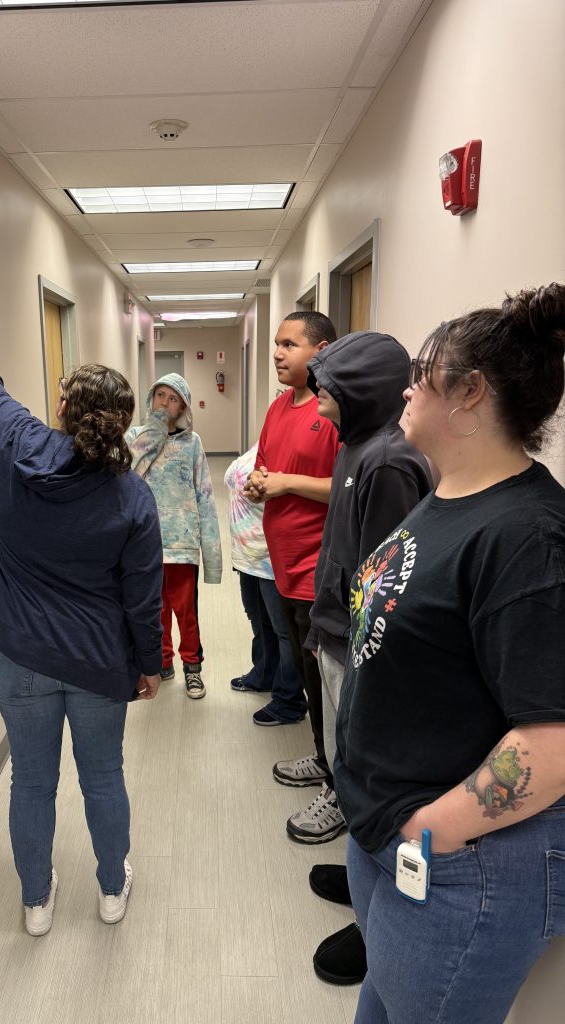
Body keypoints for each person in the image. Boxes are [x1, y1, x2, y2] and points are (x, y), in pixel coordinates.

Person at [334, 284, 565, 1023]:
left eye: (423, 373)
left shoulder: (527, 536)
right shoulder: (448, 494)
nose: (405, 387)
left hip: (462, 864)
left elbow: (551, 742)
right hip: (391, 832)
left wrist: (431, 830)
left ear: (471, 394)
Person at [0, 285, 163, 936]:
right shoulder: (131, 497)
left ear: (61, 408)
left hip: (20, 657)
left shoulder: (15, 443)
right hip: (98, 663)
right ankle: (112, 890)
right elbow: (143, 596)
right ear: (121, 422)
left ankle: (36, 901)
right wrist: (150, 667)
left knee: (31, 782)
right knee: (103, 778)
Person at [276, 330, 432, 985]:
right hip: (336, 635)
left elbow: (389, 583)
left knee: (368, 777)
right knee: (349, 769)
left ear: (359, 393)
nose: (319, 404)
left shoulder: (389, 463)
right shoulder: (354, 448)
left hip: (364, 651)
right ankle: (361, 875)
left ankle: (378, 926)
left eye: (330, 391)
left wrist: (362, 655)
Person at [244, 312, 340, 760]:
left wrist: (286, 482)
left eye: (288, 344)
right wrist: (259, 484)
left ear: (321, 351)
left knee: (326, 680)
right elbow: (265, 468)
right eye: (276, 345)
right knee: (303, 671)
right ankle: (322, 757)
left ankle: (332, 773)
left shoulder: (336, 411)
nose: (278, 354)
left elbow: (350, 488)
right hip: (279, 564)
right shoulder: (280, 406)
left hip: (317, 569)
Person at [126, 373, 221, 698]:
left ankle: (192, 668)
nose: (165, 404)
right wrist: (152, 433)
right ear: (151, 398)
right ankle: (162, 661)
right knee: (155, 610)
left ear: (183, 407)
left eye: (173, 399)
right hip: (145, 545)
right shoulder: (135, 437)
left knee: (185, 611)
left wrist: (212, 557)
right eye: (160, 396)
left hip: (181, 545)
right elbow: (128, 473)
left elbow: (205, 496)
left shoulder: (192, 443)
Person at [224, 443, 302, 703]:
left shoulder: (292, 450)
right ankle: (264, 674)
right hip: (248, 557)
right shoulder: (264, 442)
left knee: (284, 632)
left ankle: (288, 699)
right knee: (259, 622)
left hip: (271, 558)